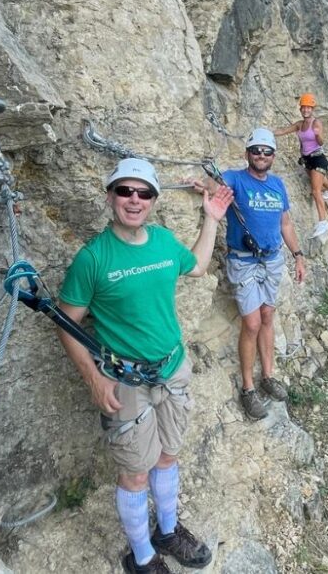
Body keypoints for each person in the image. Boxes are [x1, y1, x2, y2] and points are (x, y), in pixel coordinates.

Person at [56, 157, 233, 574]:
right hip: (126, 380)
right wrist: (95, 379)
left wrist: (211, 219)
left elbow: (198, 265)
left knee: (168, 455)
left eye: (143, 193)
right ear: (110, 197)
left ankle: (168, 532)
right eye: (124, 191)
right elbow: (66, 324)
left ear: (153, 200)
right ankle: (142, 557)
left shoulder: (163, 241)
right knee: (135, 473)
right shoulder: (93, 259)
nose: (134, 200)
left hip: (171, 369)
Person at [193, 127, 306, 420]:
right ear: (247, 154)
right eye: (256, 150)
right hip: (243, 260)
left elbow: (286, 225)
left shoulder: (278, 185)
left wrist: (299, 255)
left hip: (272, 259)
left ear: (273, 156)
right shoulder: (236, 178)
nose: (261, 155)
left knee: (268, 315)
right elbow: (215, 185)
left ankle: (268, 376)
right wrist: (202, 184)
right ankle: (248, 387)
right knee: (253, 323)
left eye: (267, 151)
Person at [273, 93, 328, 239]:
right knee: (318, 182)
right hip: (307, 160)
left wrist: (318, 135)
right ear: (301, 109)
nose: (306, 110)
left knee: (316, 190)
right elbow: (283, 131)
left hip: (318, 158)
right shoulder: (299, 125)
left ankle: (323, 221)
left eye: (309, 107)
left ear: (312, 109)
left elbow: (321, 142)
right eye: (304, 107)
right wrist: (267, 132)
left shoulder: (316, 123)